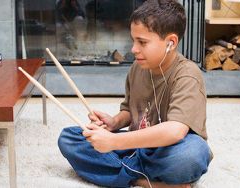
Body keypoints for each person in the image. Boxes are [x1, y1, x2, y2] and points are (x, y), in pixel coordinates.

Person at [58, 0, 212, 187]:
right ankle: (148, 181)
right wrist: (114, 122)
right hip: (135, 148)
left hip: (167, 151)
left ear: (171, 43)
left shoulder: (188, 75)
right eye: (133, 40)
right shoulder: (138, 67)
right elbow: (131, 111)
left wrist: (114, 141)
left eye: (142, 42)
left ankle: (121, 171)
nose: (133, 49)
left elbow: (175, 131)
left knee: (191, 155)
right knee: (69, 138)